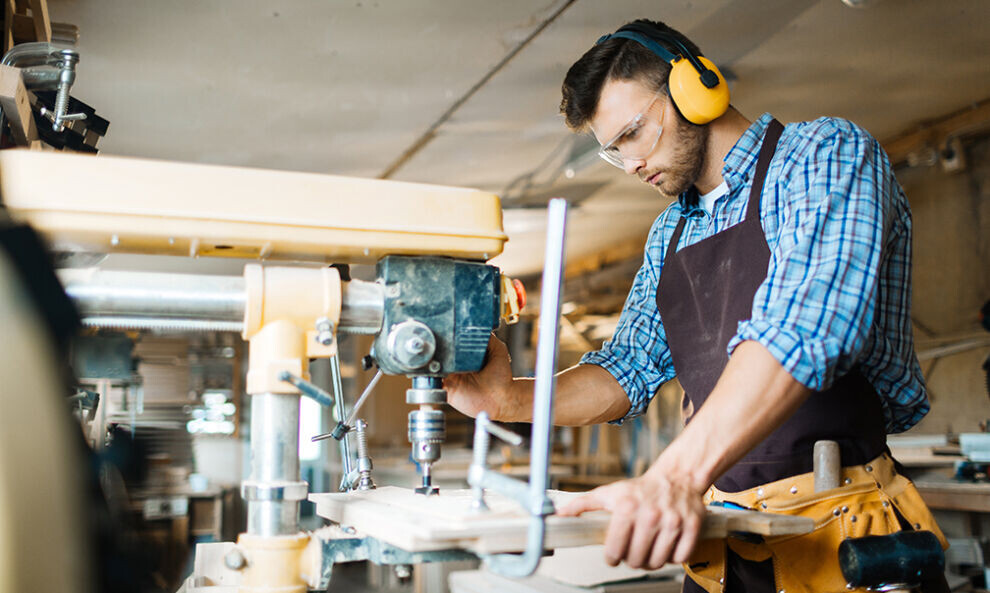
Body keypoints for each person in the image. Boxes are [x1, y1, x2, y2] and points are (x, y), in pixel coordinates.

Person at [445, 18, 948, 593]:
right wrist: (508, 399)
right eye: (612, 152)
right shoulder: (669, 233)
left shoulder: (823, 155)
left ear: (696, 87)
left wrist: (674, 476)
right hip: (727, 545)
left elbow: (808, 329)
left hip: (844, 535)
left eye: (634, 133)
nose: (630, 164)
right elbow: (625, 371)